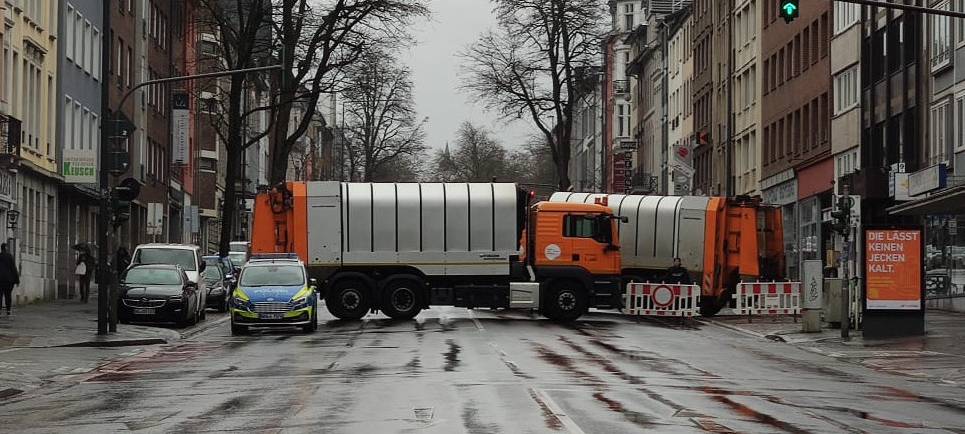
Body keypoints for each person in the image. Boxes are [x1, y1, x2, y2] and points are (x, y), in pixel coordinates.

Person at [0, 243, 19, 316]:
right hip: (8, 280)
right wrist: (17, 280)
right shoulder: (9, 256)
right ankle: (8, 310)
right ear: (6, 248)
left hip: (0, 280)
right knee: (8, 295)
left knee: (0, 295)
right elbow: (13, 268)